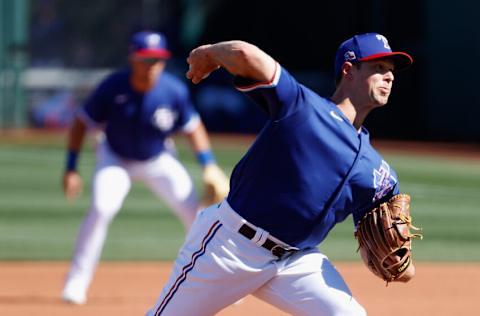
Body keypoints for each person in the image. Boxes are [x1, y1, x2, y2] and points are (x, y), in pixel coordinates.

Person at [145, 32, 415, 316]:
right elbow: (244, 54)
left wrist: (401, 264)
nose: (389, 77)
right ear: (348, 70)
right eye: (379, 68)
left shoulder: (378, 170)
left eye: (392, 71)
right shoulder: (303, 108)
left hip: (296, 262)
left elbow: (389, 254)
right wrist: (209, 53)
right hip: (231, 246)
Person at [61, 30, 229, 305]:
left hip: (158, 159)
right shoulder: (113, 87)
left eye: (158, 60)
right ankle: (76, 282)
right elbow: (82, 122)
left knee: (197, 214)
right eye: (146, 59)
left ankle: (220, 282)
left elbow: (193, 127)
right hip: (115, 158)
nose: (152, 65)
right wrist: (70, 168)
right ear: (132, 59)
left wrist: (208, 165)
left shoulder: (172, 90)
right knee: (102, 208)